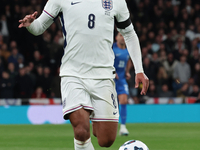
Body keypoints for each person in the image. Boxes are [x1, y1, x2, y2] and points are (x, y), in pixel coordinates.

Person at [18, 0, 149, 149]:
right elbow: (39, 27)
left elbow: (129, 34)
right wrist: (30, 25)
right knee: (80, 131)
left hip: (103, 75)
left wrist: (139, 69)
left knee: (106, 141)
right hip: (73, 74)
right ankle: (85, 123)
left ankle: (94, 119)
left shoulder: (117, 2)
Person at [113, 32, 132, 136]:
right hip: (110, 79)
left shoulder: (128, 49)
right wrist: (112, 71)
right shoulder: (111, 49)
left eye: (124, 35)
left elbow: (129, 60)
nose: (122, 37)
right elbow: (106, 60)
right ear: (116, 37)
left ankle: (123, 127)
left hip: (121, 80)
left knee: (124, 101)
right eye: (120, 35)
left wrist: (127, 71)